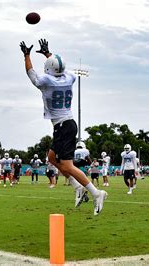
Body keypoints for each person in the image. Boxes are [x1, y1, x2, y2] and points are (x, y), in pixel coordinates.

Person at [20, 38, 107, 215]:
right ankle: (77, 187)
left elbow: (31, 73)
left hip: (63, 126)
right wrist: (48, 54)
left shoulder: (47, 81)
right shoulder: (71, 78)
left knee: (67, 166)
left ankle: (96, 193)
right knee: (52, 158)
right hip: (67, 124)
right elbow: (60, 68)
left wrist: (26, 55)